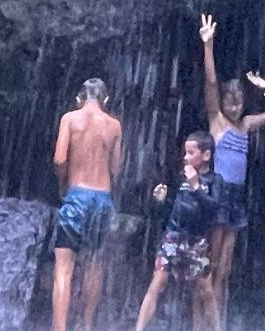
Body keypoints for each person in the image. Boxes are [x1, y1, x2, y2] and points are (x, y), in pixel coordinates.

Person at [198, 13, 265, 329]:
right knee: (210, 263)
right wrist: (208, 46)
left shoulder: (246, 125)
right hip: (218, 192)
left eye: (237, 102)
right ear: (222, 103)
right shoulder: (217, 121)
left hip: (236, 197)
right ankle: (209, 324)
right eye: (229, 102)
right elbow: (210, 83)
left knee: (225, 269)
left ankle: (216, 319)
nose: (234, 107)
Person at [52, 77, 123, 331]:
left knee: (63, 266)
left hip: (76, 196)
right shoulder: (115, 125)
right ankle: (88, 326)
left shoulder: (70, 119)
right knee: (95, 262)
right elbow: (116, 168)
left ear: (79, 99)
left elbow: (60, 159)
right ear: (105, 101)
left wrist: (63, 186)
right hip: (102, 200)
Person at [133, 131, 219, 331]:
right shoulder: (181, 178)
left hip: (196, 241)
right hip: (173, 236)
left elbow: (213, 208)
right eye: (185, 153)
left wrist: (196, 186)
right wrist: (161, 202)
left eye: (191, 153)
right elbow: (171, 210)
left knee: (206, 289)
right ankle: (138, 328)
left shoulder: (215, 181)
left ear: (206, 156)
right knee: (158, 282)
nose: (185, 157)